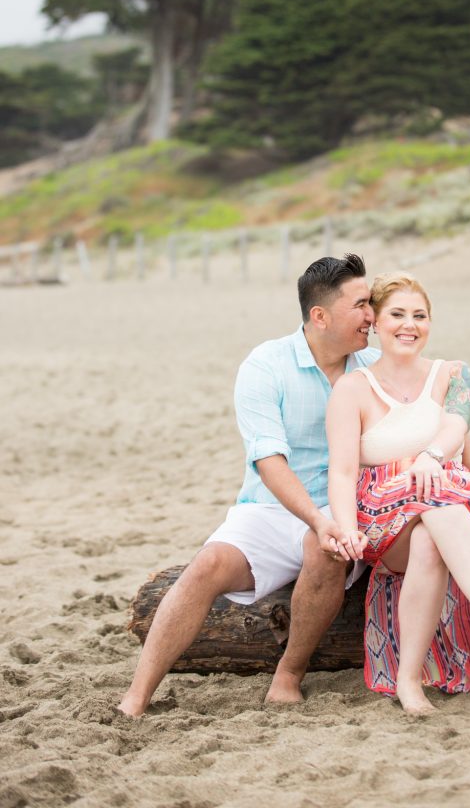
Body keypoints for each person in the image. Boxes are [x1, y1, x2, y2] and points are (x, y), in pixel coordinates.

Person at [118, 253, 379, 716]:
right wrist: (314, 519)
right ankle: (135, 698)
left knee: (327, 549)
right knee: (206, 564)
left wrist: (329, 523)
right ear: (320, 316)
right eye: (360, 305)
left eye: (370, 303)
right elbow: (268, 461)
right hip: (270, 506)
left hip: (344, 507)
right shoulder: (266, 365)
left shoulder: (374, 367)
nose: (371, 315)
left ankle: (289, 673)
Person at [326, 272, 470, 716]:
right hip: (383, 519)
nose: (409, 325)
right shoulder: (352, 388)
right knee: (431, 501)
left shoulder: (454, 375)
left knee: (431, 533)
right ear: (376, 322)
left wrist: (431, 457)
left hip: (447, 504)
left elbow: (457, 425)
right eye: (397, 314)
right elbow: (341, 471)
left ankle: (408, 681)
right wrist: (346, 529)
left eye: (420, 315)